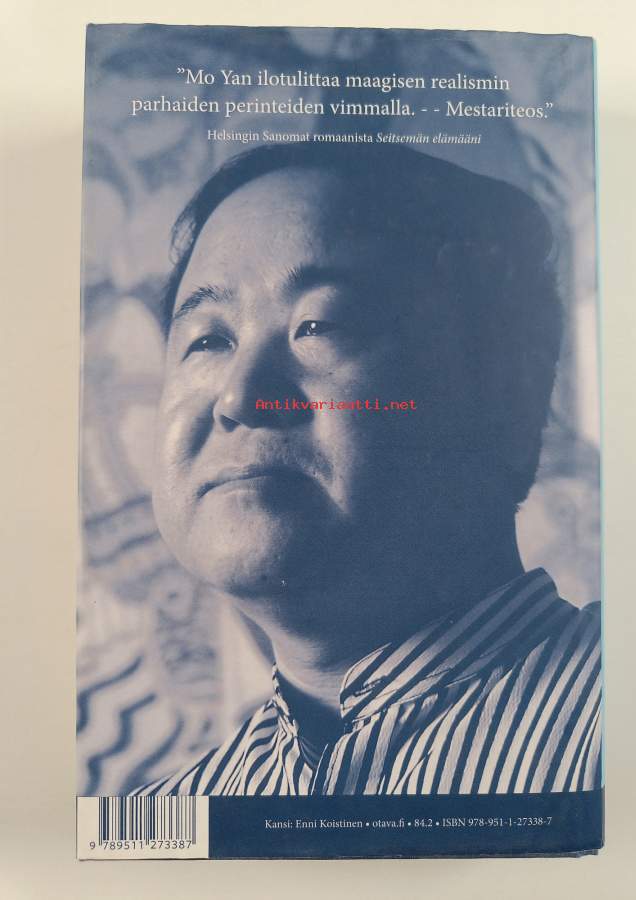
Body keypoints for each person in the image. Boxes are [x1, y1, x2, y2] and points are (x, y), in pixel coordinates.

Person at [133, 143, 601, 796]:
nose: (240, 397)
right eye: (209, 340)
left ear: (508, 396)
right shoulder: (169, 819)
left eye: (319, 325)